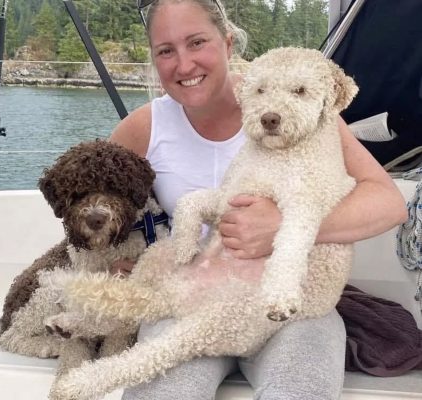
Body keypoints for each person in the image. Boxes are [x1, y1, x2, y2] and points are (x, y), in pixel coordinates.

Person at [108, 0, 408, 399]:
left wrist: (281, 229)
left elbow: (388, 201)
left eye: (197, 42)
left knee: (301, 389)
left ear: (228, 43)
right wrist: (115, 262)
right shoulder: (143, 127)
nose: (184, 65)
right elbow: (91, 202)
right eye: (166, 51)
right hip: (196, 294)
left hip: (294, 302)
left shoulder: (297, 105)